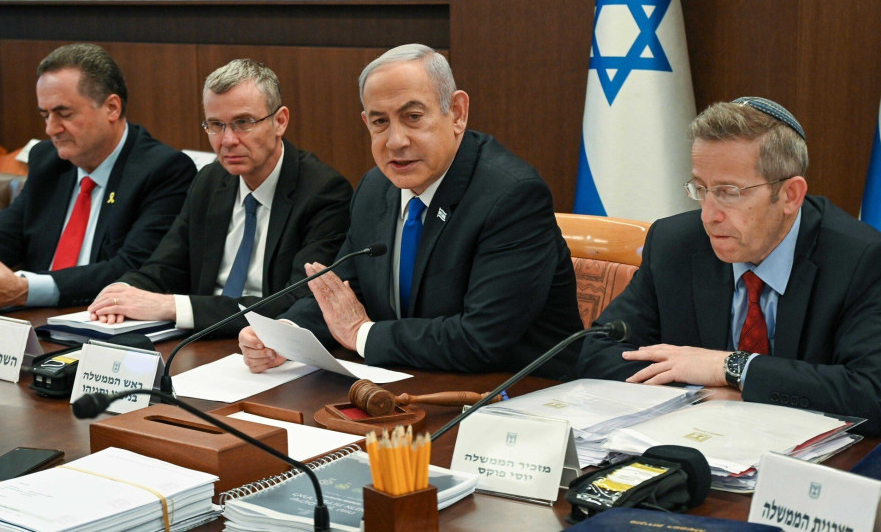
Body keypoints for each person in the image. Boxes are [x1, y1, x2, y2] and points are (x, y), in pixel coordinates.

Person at [238, 43, 583, 377]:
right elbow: (346, 292)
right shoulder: (375, 188)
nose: (395, 141)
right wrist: (284, 335)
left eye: (413, 117)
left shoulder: (511, 196)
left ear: (457, 113)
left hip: (518, 395)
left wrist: (362, 334)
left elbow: (481, 339)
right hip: (411, 381)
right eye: (380, 122)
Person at [577, 97, 881, 435]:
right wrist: (703, 396)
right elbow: (598, 353)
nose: (709, 215)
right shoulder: (675, 243)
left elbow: (871, 391)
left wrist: (733, 368)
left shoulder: (859, 259)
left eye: (729, 192)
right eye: (702, 189)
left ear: (790, 195)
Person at [87, 60, 352, 336]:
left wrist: (173, 307)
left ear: (280, 121)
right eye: (216, 125)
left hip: (270, 349)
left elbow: (297, 300)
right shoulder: (210, 182)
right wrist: (120, 292)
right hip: (200, 342)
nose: (227, 140)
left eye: (243, 123)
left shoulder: (323, 192)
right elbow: (164, 266)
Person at [0, 43, 196, 309]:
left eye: (64, 114)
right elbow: (3, 237)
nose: (51, 129)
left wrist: (27, 289)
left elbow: (133, 268)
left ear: (111, 108)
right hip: (34, 319)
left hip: (102, 319)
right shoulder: (48, 160)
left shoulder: (163, 170)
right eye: (45, 115)